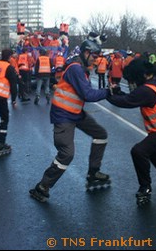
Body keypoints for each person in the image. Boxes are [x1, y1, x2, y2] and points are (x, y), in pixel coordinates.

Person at [29, 35, 111, 203]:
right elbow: (87, 94)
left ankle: (93, 172)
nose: (96, 61)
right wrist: (108, 92)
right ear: (86, 53)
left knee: (101, 134)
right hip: (63, 115)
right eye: (94, 57)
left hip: (75, 113)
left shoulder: (81, 68)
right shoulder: (76, 68)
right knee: (66, 154)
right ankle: (42, 186)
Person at [106, 58, 156, 206]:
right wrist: (119, 92)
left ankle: (145, 188)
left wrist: (110, 95)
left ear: (144, 75)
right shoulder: (153, 83)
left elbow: (127, 102)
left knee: (139, 151)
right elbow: (133, 96)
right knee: (152, 151)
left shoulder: (146, 90)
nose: (132, 81)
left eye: (134, 78)